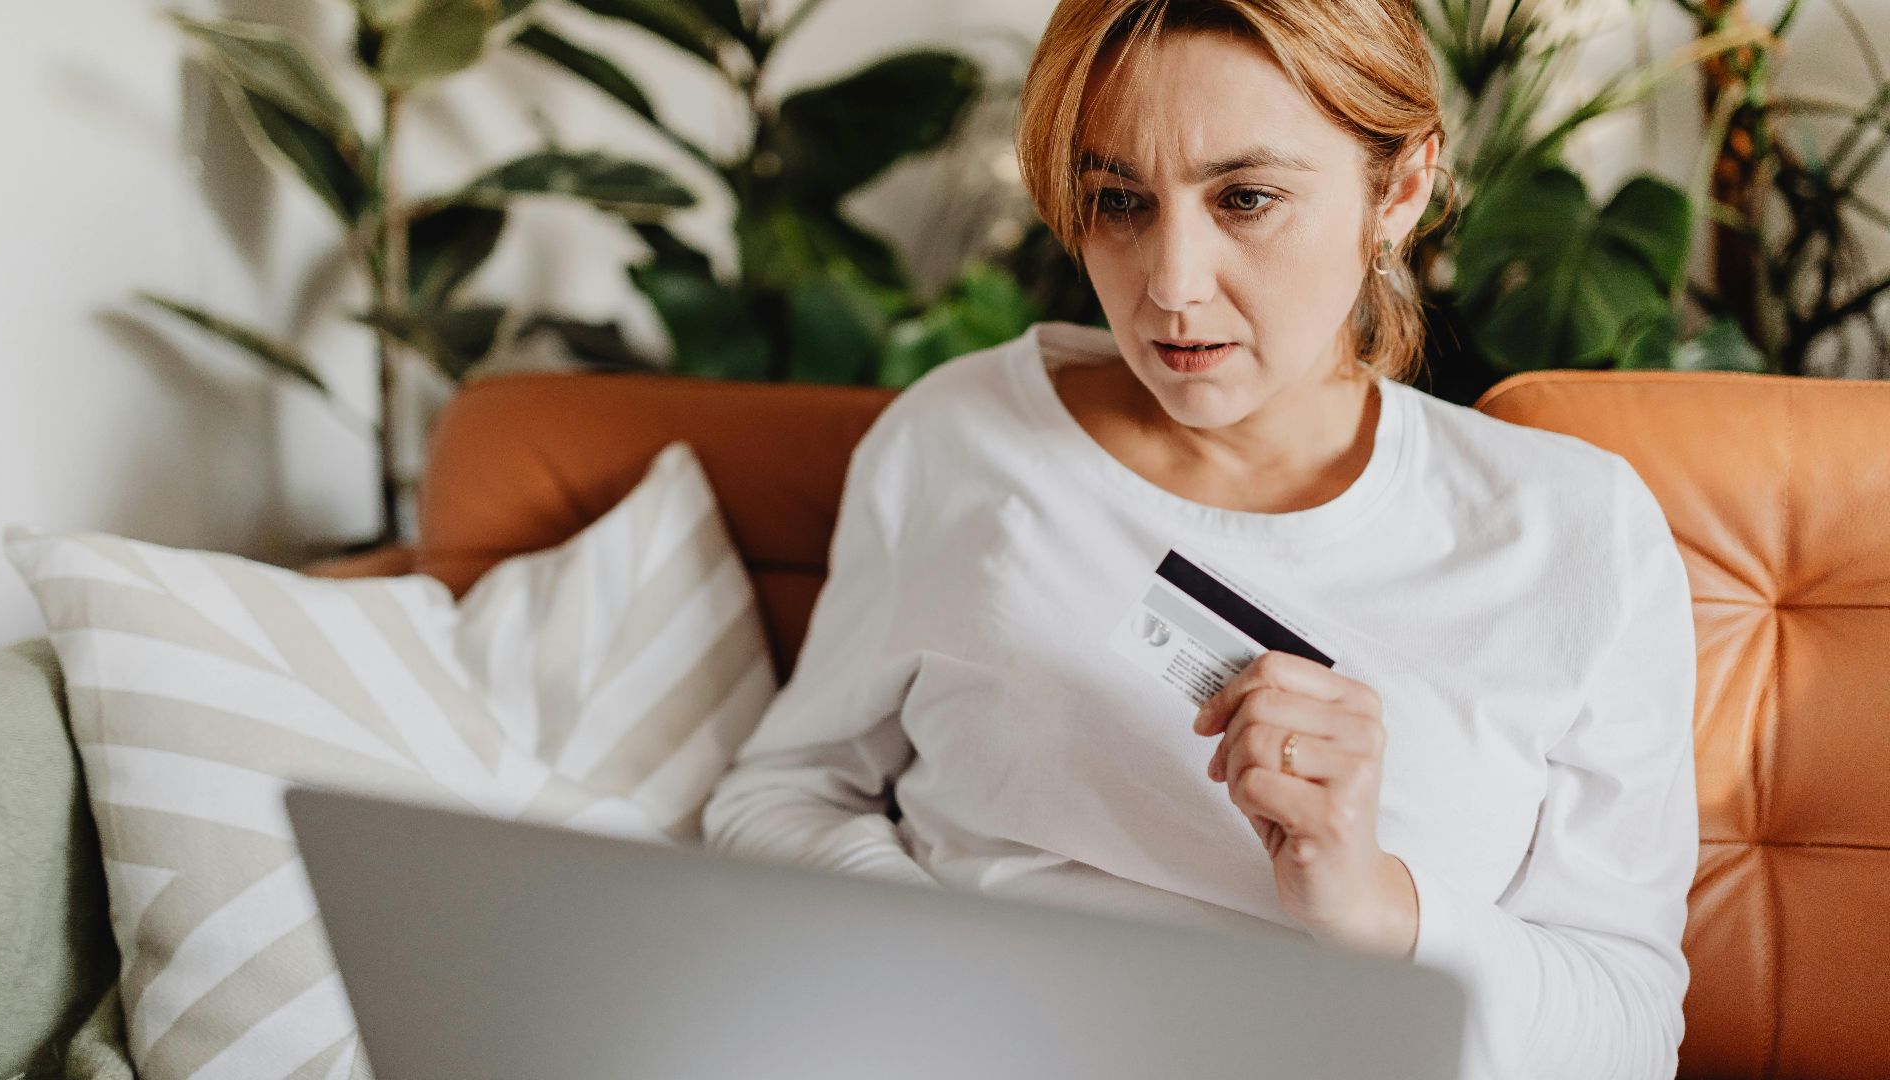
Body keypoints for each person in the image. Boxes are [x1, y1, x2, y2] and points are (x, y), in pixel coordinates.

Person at [702, 1, 1699, 1076]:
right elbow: (778, 798)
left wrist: (1370, 899)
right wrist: (959, 966)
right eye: (1120, 201)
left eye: (1248, 198)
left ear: (1400, 190)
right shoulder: (961, 440)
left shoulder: (1573, 532)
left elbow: (1628, 1033)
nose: (1170, 288)